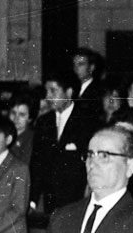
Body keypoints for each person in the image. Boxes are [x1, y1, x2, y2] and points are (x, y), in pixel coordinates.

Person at [30, 70, 100, 213]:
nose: (48, 97)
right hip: (50, 200)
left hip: (78, 198)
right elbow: (37, 163)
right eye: (47, 91)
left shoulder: (87, 121)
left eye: (53, 91)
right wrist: (32, 200)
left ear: (68, 92)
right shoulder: (43, 122)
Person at [7, 93, 37, 164]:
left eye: (22, 115)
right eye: (13, 113)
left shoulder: (31, 139)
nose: (16, 118)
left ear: (30, 118)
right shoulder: (4, 134)